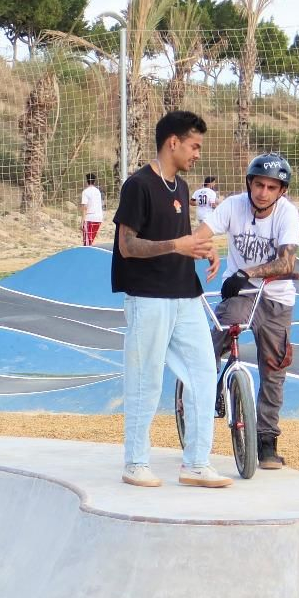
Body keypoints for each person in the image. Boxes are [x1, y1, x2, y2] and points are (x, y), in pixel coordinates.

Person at [110, 110, 230, 489]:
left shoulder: (180, 187)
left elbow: (181, 240)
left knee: (204, 374)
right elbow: (127, 246)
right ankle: (135, 463)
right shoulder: (138, 185)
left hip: (185, 295)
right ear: (173, 142)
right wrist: (178, 245)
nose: (197, 154)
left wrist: (202, 248)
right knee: (145, 381)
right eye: (194, 146)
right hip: (148, 299)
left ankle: (196, 464)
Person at [198, 153, 299, 470]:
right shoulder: (233, 206)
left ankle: (266, 443)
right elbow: (201, 234)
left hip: (276, 299)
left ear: (281, 191)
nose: (263, 192)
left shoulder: (287, 214)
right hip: (240, 294)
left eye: (272, 187)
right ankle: (203, 398)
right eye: (259, 185)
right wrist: (202, 248)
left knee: (274, 370)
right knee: (208, 348)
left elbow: (287, 262)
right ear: (249, 184)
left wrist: (247, 272)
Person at [79, 173, 104, 246]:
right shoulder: (98, 191)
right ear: (94, 181)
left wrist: (82, 222)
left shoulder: (85, 192)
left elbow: (84, 208)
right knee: (90, 241)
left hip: (90, 218)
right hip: (99, 218)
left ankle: (86, 253)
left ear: (86, 181)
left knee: (87, 244)